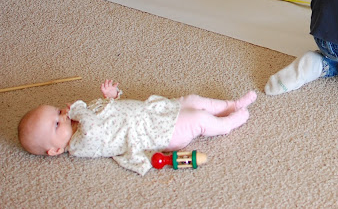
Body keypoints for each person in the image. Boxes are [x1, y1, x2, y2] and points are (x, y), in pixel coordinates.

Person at [18, 79, 257, 175]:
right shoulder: (79, 144)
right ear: (55, 150)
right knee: (198, 119)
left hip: (154, 111)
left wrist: (113, 96)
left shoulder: (81, 116)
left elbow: (113, 110)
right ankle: (227, 123)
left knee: (193, 101)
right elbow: (93, 128)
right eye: (57, 123)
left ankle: (230, 105)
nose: (63, 114)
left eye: (57, 110)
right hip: (156, 133)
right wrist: (79, 109)